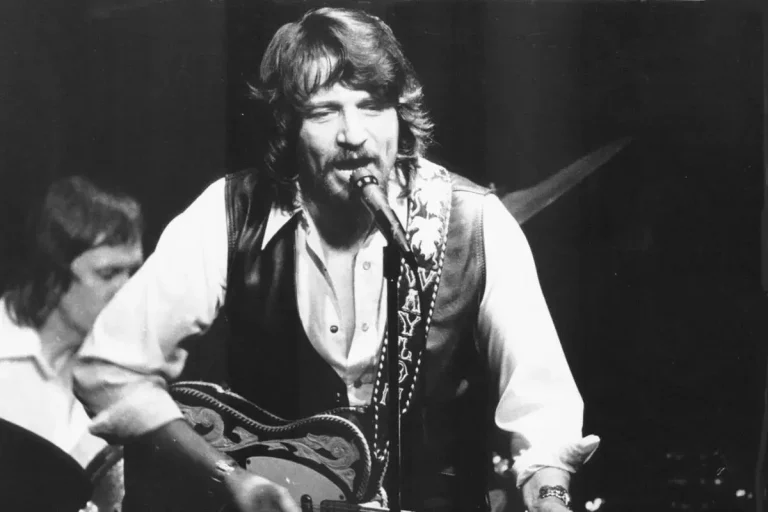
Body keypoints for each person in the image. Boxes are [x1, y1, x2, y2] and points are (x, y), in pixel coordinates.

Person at [74, 7, 599, 512]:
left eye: (372, 104)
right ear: (289, 126)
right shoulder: (228, 213)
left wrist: (549, 493)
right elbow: (107, 367)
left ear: (399, 113)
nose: (354, 134)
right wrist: (226, 479)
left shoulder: (478, 224)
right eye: (325, 111)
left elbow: (543, 406)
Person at [0, 175, 144, 509]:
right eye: (108, 274)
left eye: (134, 272)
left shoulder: (133, 374)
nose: (130, 292)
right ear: (51, 274)